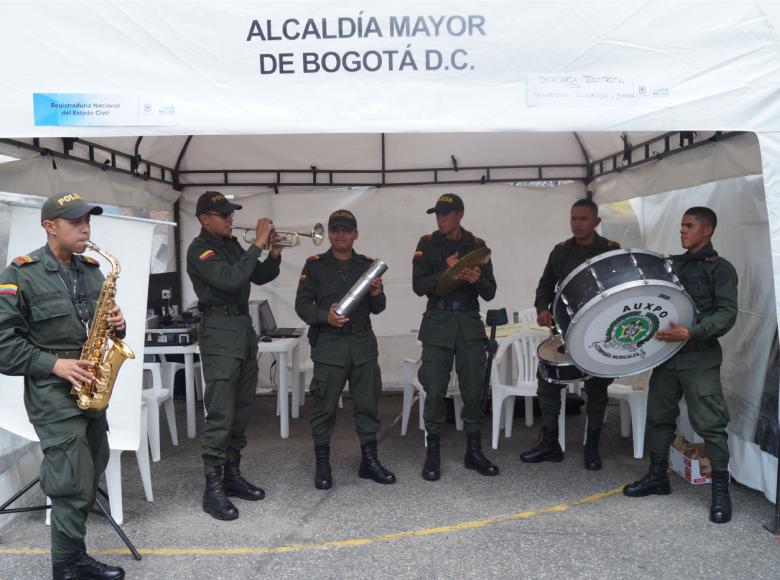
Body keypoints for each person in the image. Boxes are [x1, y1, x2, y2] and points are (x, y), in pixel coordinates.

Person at [0, 193, 126, 580]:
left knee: (89, 472)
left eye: (88, 220)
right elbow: (4, 346)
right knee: (70, 480)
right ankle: (66, 567)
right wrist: (54, 364)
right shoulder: (19, 274)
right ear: (49, 226)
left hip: (89, 390)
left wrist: (118, 325)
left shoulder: (92, 270)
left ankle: (76, 555)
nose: (86, 228)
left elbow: (100, 330)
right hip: (52, 393)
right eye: (76, 222)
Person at [624, 207, 738, 524]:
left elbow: (727, 314)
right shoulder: (671, 266)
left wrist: (692, 332)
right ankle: (657, 476)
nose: (682, 231)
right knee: (659, 418)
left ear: (708, 231)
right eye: (682, 226)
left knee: (711, 425)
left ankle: (720, 493)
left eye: (689, 226)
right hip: (666, 357)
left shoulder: (720, 269)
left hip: (699, 358)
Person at [186, 191, 283, 521]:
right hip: (218, 330)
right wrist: (257, 244)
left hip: (241, 329)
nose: (230, 219)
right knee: (221, 411)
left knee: (242, 409)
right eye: (224, 214)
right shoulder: (200, 249)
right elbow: (230, 279)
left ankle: (231, 474)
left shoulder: (228, 245)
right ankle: (212, 488)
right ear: (204, 219)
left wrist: (274, 254)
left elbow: (256, 276)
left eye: (231, 213)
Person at [295, 209, 395, 490]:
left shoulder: (367, 265)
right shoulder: (314, 265)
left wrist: (377, 293)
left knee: (367, 405)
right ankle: (323, 465)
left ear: (355, 234)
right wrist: (323, 316)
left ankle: (369, 461)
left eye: (346, 230)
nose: (340, 235)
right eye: (335, 230)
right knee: (324, 407)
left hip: (362, 345)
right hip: (329, 345)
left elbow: (379, 307)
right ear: (329, 234)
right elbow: (302, 305)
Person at [521, 198, 620, 470]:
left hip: (599, 331)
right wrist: (542, 308)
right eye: (573, 219)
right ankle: (550, 444)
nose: (577, 224)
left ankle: (592, 447)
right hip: (566, 329)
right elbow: (544, 286)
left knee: (597, 389)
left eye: (583, 219)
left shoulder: (610, 250)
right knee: (548, 382)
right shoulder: (561, 252)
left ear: (596, 222)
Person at [412, 193, 499, 481]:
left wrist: (477, 279)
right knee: (435, 389)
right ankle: (432, 452)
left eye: (445, 213)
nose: (440, 219)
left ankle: (473, 451)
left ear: (460, 214)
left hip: (469, 323)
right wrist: (444, 270)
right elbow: (418, 286)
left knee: (474, 389)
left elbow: (490, 292)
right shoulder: (427, 245)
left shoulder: (477, 247)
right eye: (437, 213)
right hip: (438, 322)